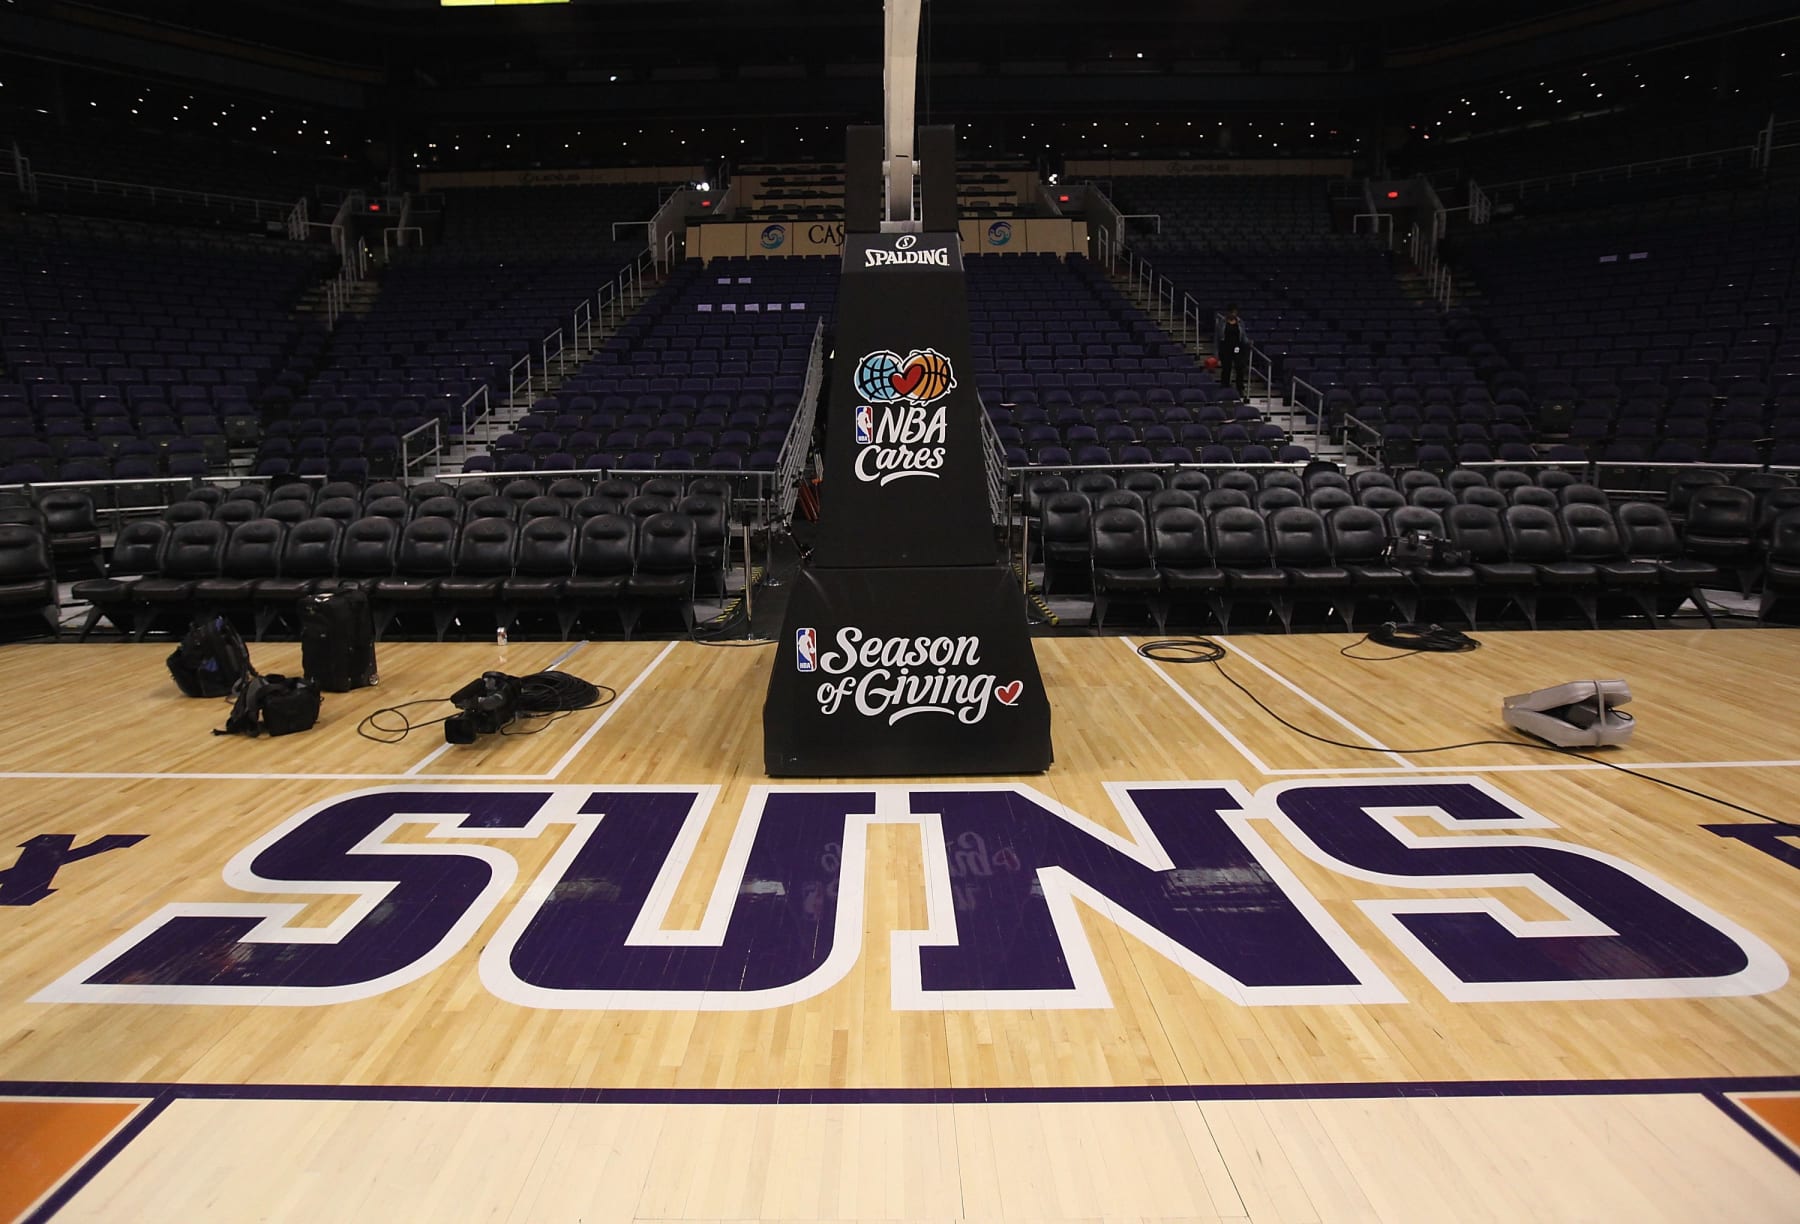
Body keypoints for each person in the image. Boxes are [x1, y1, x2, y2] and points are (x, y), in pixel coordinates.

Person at [1216, 305, 1250, 399]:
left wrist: (1248, 342)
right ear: (1228, 313)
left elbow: (1243, 335)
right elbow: (1217, 338)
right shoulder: (1221, 322)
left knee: (1239, 367)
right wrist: (1216, 354)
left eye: (1235, 312)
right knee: (1226, 368)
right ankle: (1225, 388)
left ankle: (1240, 388)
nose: (1233, 314)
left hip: (1237, 347)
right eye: (1232, 312)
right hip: (1225, 348)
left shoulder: (1240, 322)